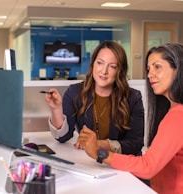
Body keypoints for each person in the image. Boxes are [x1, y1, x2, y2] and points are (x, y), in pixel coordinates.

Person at [78, 42, 183, 194]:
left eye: (157, 67)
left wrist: (99, 153)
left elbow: (147, 167)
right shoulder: (173, 111)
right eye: (148, 69)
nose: (150, 74)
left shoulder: (178, 116)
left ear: (178, 69)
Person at [45, 40, 144, 156]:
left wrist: (97, 144)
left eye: (112, 66)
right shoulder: (75, 92)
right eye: (100, 63)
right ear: (93, 64)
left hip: (121, 164)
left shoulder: (133, 97)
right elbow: (63, 137)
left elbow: (135, 144)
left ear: (119, 71)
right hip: (89, 162)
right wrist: (56, 109)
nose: (104, 71)